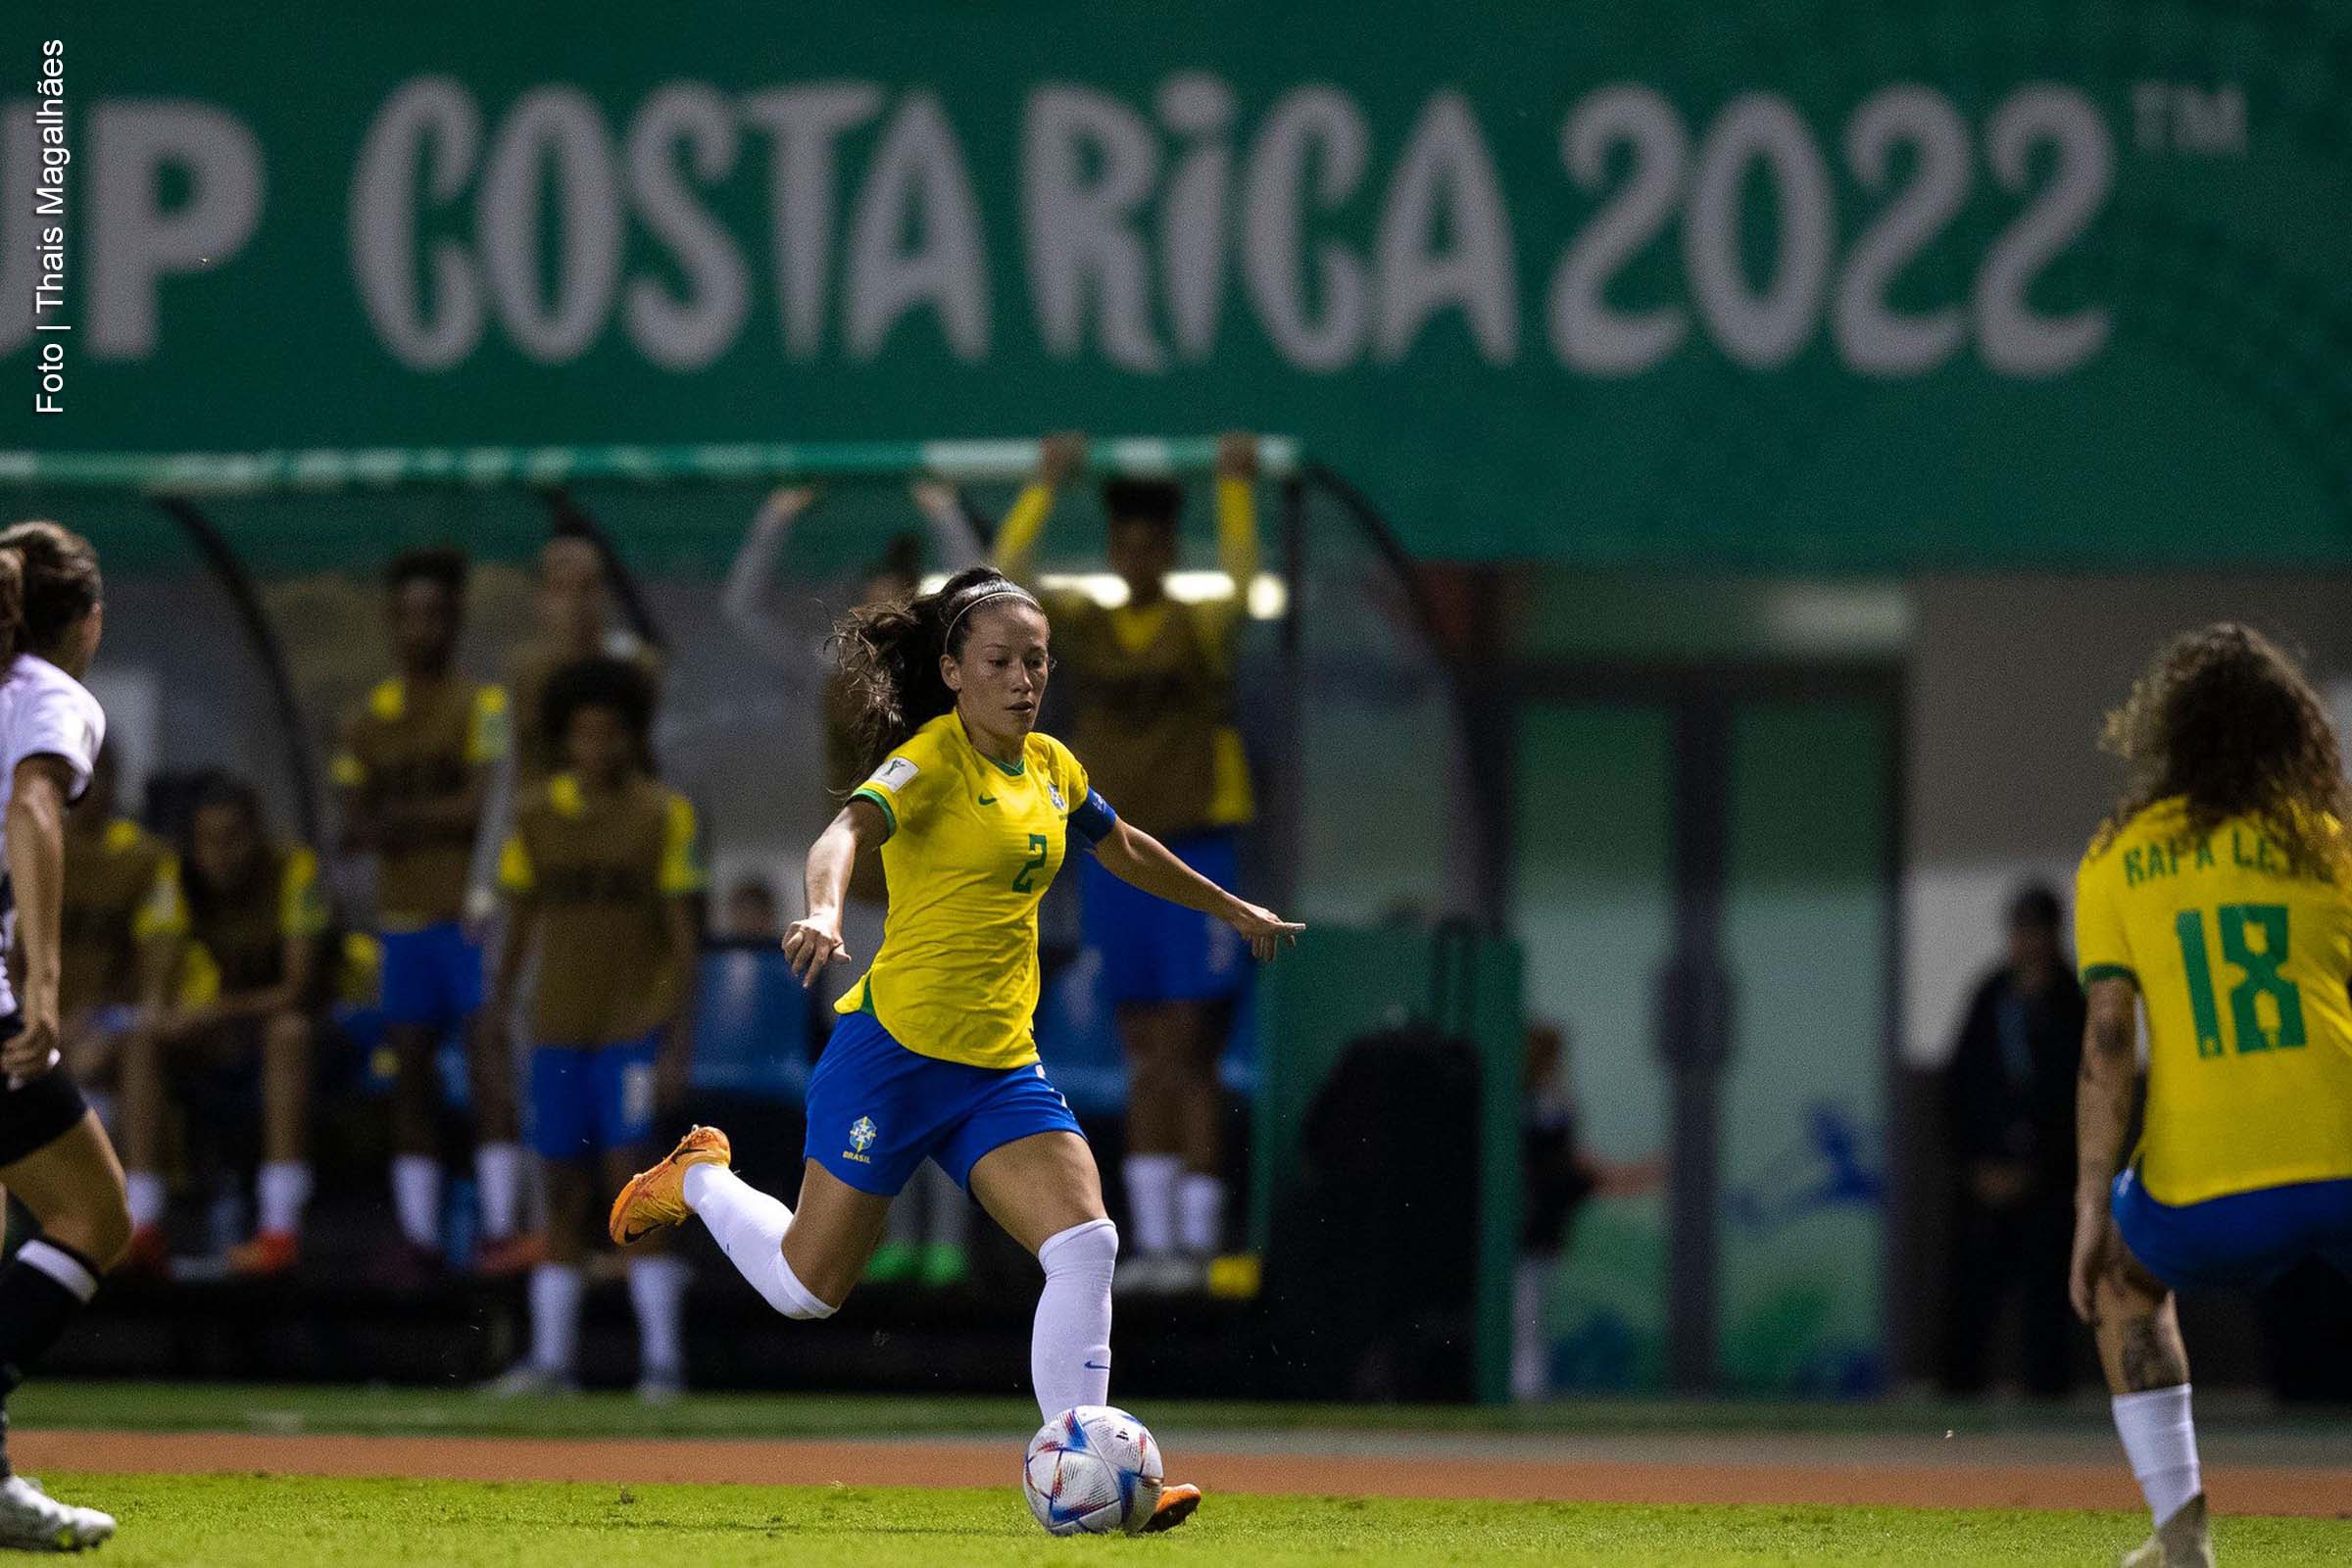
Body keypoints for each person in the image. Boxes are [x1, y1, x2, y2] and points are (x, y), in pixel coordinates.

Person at [609, 565, 1301, 1534]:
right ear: (952, 670)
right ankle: (702, 1179)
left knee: (1086, 1242)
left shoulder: (1053, 766)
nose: (1025, 679)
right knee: (809, 1292)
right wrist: (819, 906)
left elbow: (1126, 843)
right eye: (1002, 661)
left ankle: (1090, 1469)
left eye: (1039, 661)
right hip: (892, 1055)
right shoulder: (930, 761)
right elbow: (844, 831)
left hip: (997, 1071)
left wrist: (1229, 905)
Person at [2072, 623, 2352, 1568]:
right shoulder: (2325, 844)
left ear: (2168, 733)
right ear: (2290, 731)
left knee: (2124, 1283)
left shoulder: (2117, 857)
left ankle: (2183, 1538)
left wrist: (2086, 1204)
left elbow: (2110, 1040)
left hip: (2208, 1187)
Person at [996, 432, 1262, 1293]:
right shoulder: (1084, 626)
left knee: (1192, 1047)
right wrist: (1046, 487)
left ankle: (1197, 1242)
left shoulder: (1200, 625)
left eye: (1154, 545)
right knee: (1144, 1049)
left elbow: (1248, 580)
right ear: (1113, 549)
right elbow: (1006, 583)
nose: (1139, 557)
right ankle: (1152, 1247)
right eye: (1126, 544)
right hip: (1116, 853)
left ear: (1172, 551)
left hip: (1195, 845)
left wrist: (1232, 487)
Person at [723, 482, 988, 1289]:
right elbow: (744, 612)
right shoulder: (836, 678)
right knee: (878, 1080)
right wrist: (774, 518)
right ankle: (882, 1235)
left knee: (942, 1075)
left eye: (900, 612)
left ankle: (943, 1241)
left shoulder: (951, 686)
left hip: (935, 907)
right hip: (861, 910)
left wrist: (947, 512)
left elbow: (999, 595)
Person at [484, 658, 703, 1399]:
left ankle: (663, 1364)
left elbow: (683, 940)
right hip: (556, 1027)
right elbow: (517, 922)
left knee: (636, 1185)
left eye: (610, 735)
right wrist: (496, 1007)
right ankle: (551, 1364)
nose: (597, 748)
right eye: (583, 735)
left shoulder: (662, 815)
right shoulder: (534, 815)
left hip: (631, 1029)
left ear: (628, 739)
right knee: (561, 1190)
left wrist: (676, 1039)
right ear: (567, 742)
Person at [0, 519, 129, 1547]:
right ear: (86, 621)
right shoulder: (48, 697)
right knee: (94, 1212)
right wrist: (43, 981)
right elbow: (34, 806)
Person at [333, 548, 512, 1271]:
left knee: (488, 1061)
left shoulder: (484, 706)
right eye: (408, 615)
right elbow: (349, 822)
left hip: (470, 919)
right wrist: (429, 816)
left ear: (456, 622)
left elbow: (481, 807)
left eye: (436, 615)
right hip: (401, 921)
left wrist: (392, 818)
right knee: (408, 1071)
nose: (422, 629)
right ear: (390, 622)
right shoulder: (364, 718)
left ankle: (502, 1225)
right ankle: (418, 1235)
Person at [120, 773, 329, 1276]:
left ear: (257, 833)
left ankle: (279, 1230)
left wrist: (219, 1011)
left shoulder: (294, 869)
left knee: (288, 1033)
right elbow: (159, 970)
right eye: (207, 841)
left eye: (233, 837)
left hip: (304, 1035)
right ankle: (142, 1224)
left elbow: (297, 990)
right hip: (227, 1032)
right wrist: (163, 1013)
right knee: (143, 1039)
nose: (221, 854)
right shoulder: (179, 877)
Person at [1939, 883, 2083, 1398]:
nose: (2027, 942)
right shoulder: (1991, 995)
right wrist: (1975, 1164)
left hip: (2046, 1183)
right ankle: (1957, 1399)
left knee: (2048, 1299)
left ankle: (2049, 1400)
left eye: (2036, 930)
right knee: (1970, 1295)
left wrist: (2037, 1169)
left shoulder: (2072, 1003)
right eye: (2019, 930)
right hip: (1984, 1176)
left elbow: (2082, 1099)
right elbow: (1960, 1086)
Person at [57, 744, 185, 1144]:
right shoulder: (21, 854)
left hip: (111, 1025)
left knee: (129, 1047)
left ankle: (140, 1196)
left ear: (113, 783)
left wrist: (104, 1018)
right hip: (43, 1025)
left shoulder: (147, 859)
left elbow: (159, 965)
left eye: (93, 778)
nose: (80, 792)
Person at [719, 876, 781, 944]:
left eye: (756, 911)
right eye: (742, 910)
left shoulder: (783, 948)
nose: (749, 917)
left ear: (768, 914)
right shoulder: (719, 948)